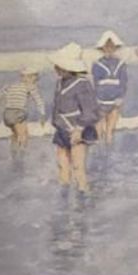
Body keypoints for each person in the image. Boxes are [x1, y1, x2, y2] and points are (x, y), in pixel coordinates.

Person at [48, 42, 99, 193]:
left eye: (59, 66)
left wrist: (79, 129)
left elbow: (90, 110)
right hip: (62, 129)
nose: (56, 68)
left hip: (78, 129)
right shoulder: (60, 83)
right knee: (62, 164)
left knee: (78, 165)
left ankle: (83, 190)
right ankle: (64, 191)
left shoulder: (83, 84)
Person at [0, 67, 43, 151]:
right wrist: (42, 113)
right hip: (18, 112)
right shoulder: (30, 87)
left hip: (7, 114)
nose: (34, 82)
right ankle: (21, 153)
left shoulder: (10, 86)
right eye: (34, 80)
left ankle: (13, 152)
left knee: (15, 133)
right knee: (23, 134)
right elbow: (38, 100)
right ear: (28, 77)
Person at [91, 31, 130, 143]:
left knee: (110, 131)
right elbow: (96, 83)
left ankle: (108, 151)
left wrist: (120, 97)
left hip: (115, 101)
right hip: (100, 101)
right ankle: (100, 153)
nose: (109, 49)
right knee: (99, 132)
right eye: (106, 47)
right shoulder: (97, 64)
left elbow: (123, 83)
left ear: (115, 48)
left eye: (111, 47)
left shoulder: (121, 64)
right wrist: (97, 99)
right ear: (102, 48)